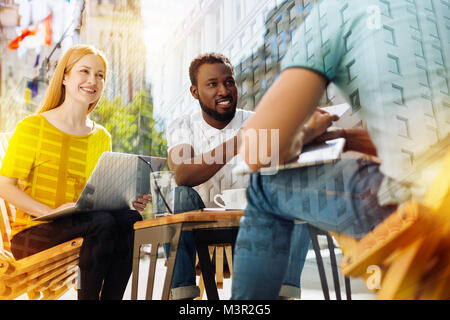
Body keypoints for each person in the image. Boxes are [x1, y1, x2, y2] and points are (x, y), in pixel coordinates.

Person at [231, 0, 449, 299]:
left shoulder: (338, 12)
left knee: (264, 183)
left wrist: (306, 131)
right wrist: (343, 137)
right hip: (443, 188)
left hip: (426, 207)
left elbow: (257, 150)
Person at [165, 53, 341, 300]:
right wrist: (237, 142)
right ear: (195, 92)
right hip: (202, 228)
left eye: (229, 82)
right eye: (212, 84)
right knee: (181, 194)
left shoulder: (258, 121)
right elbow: (182, 174)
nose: (224, 90)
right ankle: (182, 295)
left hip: (254, 224)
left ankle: (283, 295)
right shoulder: (182, 125)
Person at [0, 44, 150, 300]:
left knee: (130, 219)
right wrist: (50, 212)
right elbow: (4, 186)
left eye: (100, 75)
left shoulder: (101, 137)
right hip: (34, 233)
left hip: (84, 225)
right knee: (102, 223)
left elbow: (98, 196)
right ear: (65, 77)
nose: (93, 80)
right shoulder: (33, 127)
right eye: (85, 71)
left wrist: (128, 199)